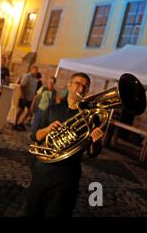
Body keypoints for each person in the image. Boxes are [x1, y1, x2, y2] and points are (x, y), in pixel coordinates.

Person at [25, 72, 104, 217]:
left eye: (85, 87)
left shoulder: (91, 117)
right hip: (42, 171)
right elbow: (34, 136)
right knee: (32, 212)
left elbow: (93, 153)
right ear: (69, 85)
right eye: (78, 84)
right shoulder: (53, 109)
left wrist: (96, 140)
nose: (80, 89)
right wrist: (47, 130)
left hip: (67, 176)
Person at [13, 65, 39, 131]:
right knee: (21, 110)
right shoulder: (27, 76)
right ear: (31, 70)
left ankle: (21, 122)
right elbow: (22, 86)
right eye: (35, 70)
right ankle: (15, 122)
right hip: (24, 96)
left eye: (37, 70)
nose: (36, 72)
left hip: (30, 98)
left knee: (30, 111)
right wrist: (22, 95)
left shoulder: (35, 79)